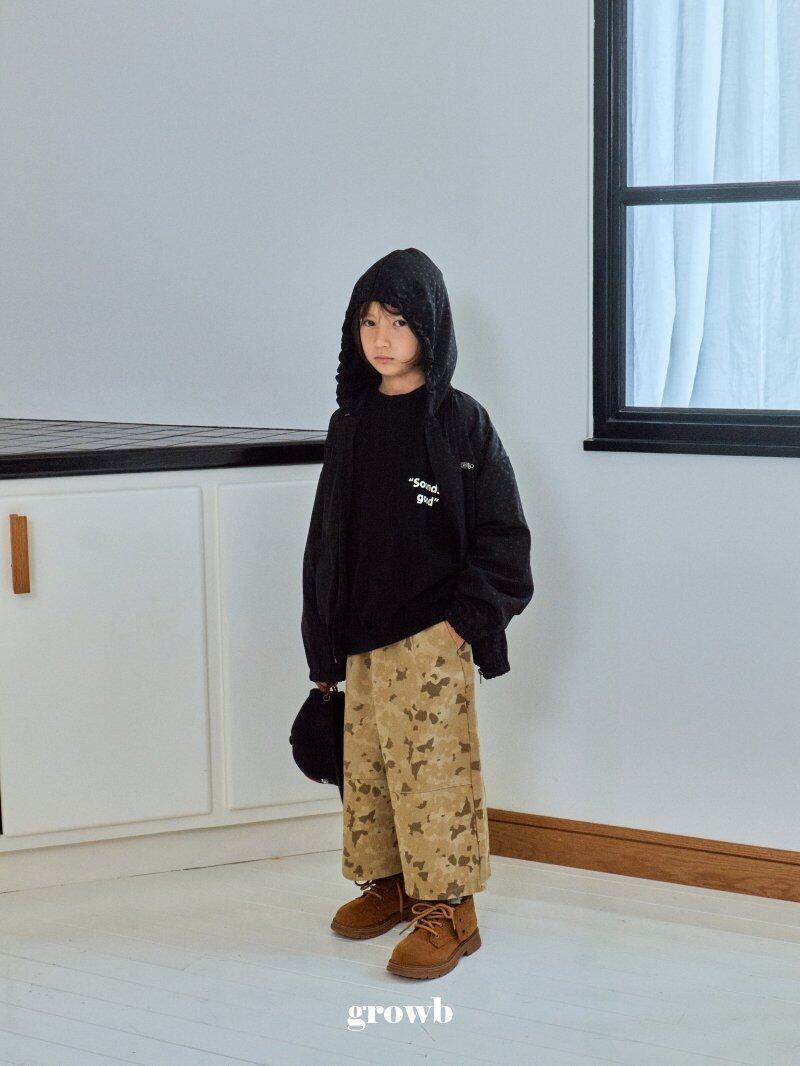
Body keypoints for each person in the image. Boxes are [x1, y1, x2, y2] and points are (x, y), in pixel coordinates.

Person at [301, 247, 533, 979]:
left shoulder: (461, 424)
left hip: (431, 637)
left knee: (434, 776)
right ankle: (392, 885)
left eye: (399, 321)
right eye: (368, 321)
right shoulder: (351, 423)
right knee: (369, 773)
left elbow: (504, 539)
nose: (382, 338)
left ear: (431, 327)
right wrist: (322, 646)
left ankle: (450, 911)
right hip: (361, 637)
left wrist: (460, 624)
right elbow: (327, 541)